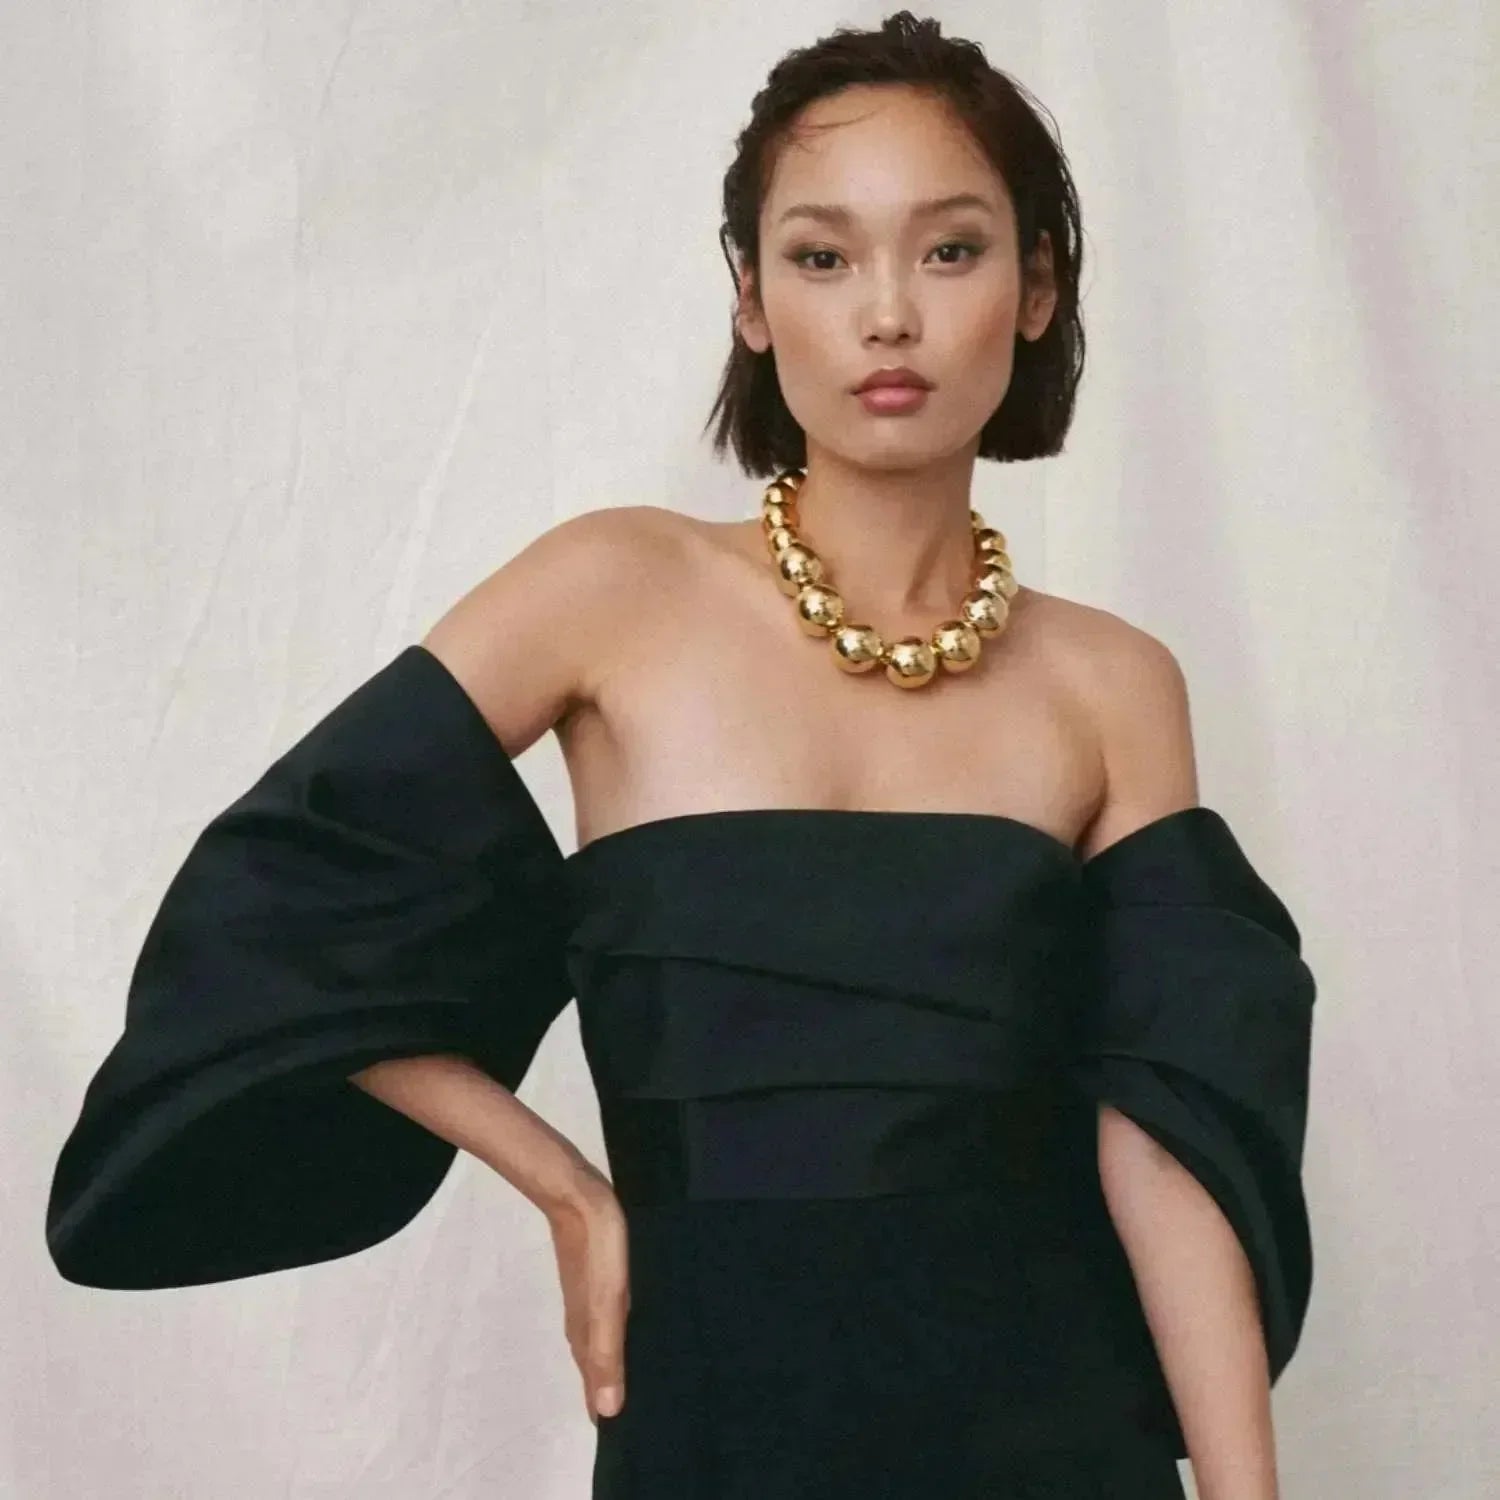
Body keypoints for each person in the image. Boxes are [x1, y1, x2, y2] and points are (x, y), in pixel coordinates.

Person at [44, 12, 1315, 1498]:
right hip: (709, 1426)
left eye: (950, 250)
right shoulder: (610, 591)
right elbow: (274, 912)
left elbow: (1161, 1144)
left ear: (1037, 287)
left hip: (1053, 1434)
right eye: (823, 257)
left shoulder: (1116, 684)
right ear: (751, 300)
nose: (887, 314)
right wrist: (563, 1185)